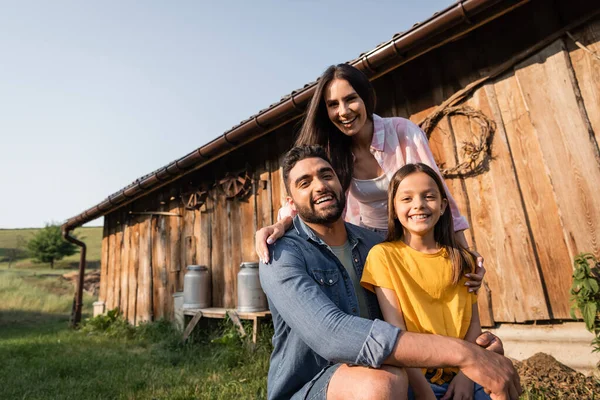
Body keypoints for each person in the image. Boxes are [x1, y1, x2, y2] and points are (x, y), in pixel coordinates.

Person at [259, 144, 521, 400]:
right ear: (291, 202)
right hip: (313, 383)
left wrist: (466, 262)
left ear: (341, 184)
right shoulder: (279, 255)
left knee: (489, 362)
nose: (320, 185)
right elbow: (332, 335)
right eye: (305, 183)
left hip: (391, 369)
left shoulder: (374, 244)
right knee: (382, 383)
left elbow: (422, 257)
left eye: (327, 175)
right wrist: (464, 354)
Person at [256, 63, 485, 293]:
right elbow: (303, 197)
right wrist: (281, 224)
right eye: (333, 105)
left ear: (365, 97)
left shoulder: (403, 133)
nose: (344, 111)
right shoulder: (330, 152)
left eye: (350, 99)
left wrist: (464, 254)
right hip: (368, 247)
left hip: (415, 239)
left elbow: (437, 193)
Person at [361, 163, 490, 400]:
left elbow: (473, 325)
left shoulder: (463, 259)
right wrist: (423, 391)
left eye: (428, 196)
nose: (418, 204)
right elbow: (395, 333)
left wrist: (466, 377)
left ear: (442, 206)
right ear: (393, 208)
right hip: (414, 377)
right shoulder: (383, 256)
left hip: (466, 372)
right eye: (407, 198)